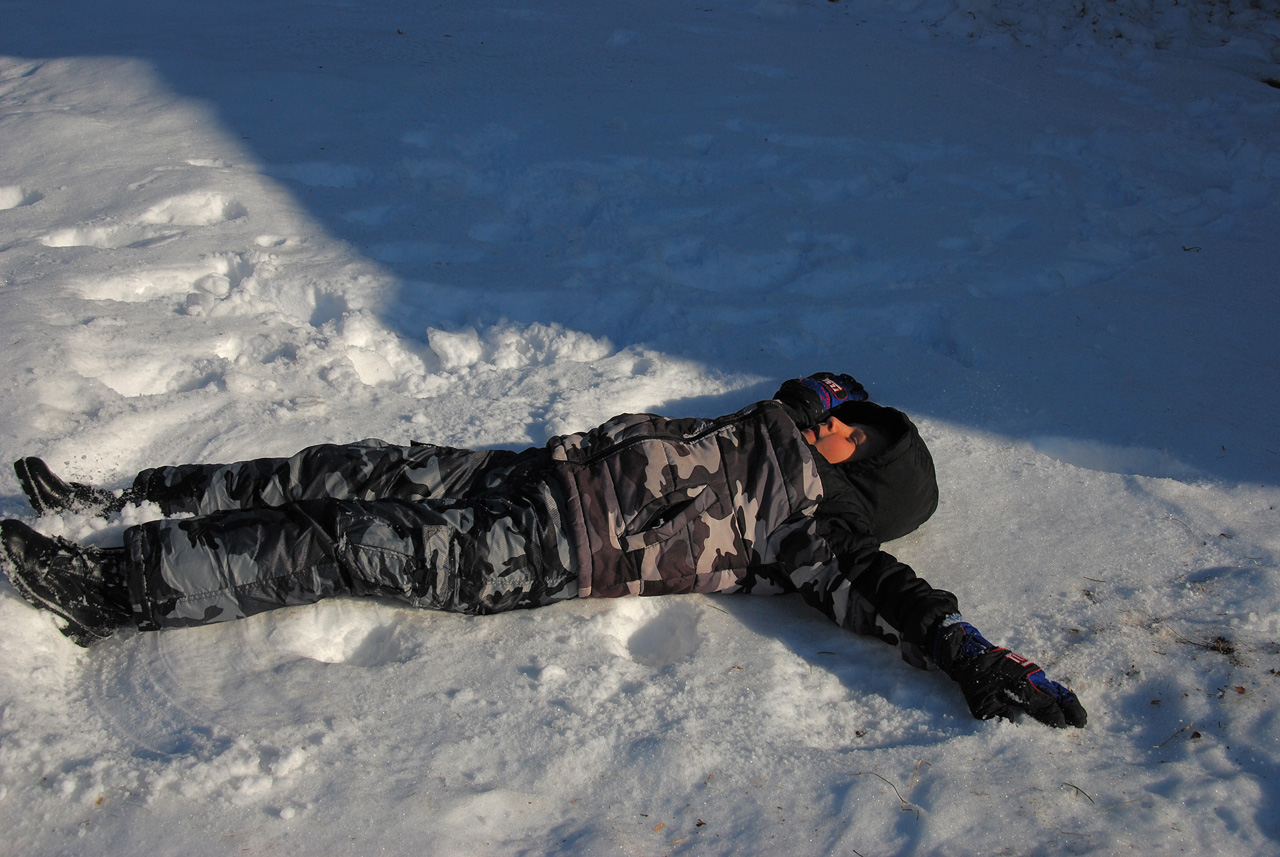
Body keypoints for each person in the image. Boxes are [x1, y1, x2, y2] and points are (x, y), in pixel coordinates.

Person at [1, 373, 1087, 728]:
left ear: (870, 465)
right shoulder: (770, 428)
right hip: (526, 473)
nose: (826, 402)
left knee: (333, 540)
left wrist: (976, 657)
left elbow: (898, 595)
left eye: (847, 415)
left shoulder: (817, 530)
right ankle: (125, 499)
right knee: (341, 464)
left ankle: (110, 590)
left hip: (541, 547)